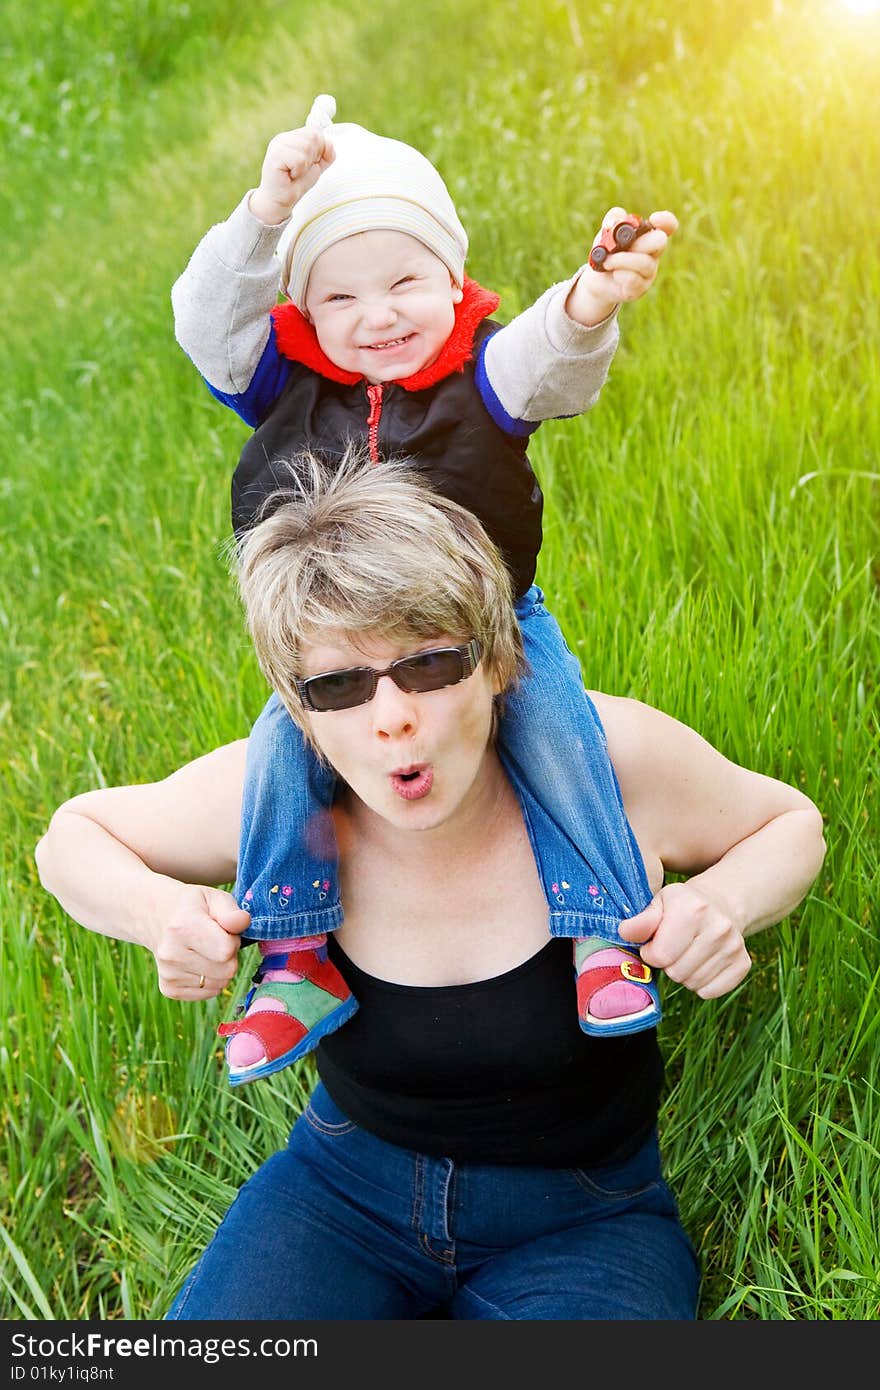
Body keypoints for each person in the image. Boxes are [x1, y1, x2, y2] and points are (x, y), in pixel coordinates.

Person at [36, 454, 826, 1320]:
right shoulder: (277, 801)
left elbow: (791, 825)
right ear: (298, 708)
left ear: (494, 661)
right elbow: (71, 839)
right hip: (341, 1192)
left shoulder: (608, 767)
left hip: (584, 1218)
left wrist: (726, 905)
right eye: (337, 685)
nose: (389, 720)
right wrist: (161, 914)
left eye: (428, 666)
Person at [171, 94, 681, 1083]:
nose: (378, 316)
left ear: (454, 282)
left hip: (484, 624)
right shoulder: (281, 384)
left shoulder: (483, 376)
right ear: (303, 314)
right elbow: (202, 318)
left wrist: (588, 300)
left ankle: (602, 930)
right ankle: (294, 955)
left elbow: (551, 361)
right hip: (340, 646)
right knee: (281, 749)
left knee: (558, 725)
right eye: (341, 299)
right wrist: (265, 211)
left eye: (405, 281)